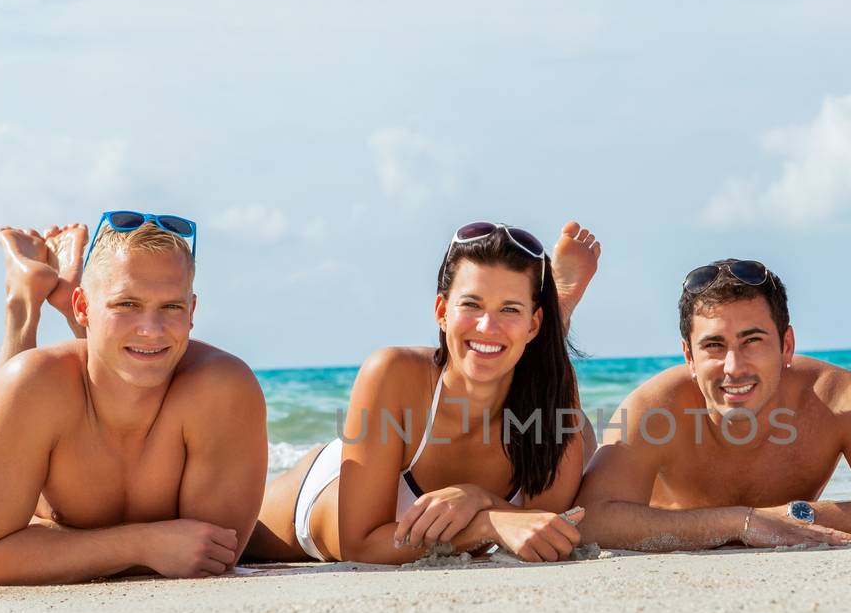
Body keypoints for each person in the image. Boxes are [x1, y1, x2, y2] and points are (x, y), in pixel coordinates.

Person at [245, 221, 601, 565]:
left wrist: (477, 498)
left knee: (580, 432)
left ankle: (554, 318)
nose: (486, 325)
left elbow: (546, 528)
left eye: (509, 309)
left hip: (524, 379)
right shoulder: (393, 372)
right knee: (234, 541)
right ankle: (548, 314)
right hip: (328, 493)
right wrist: (485, 522)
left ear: (534, 324)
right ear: (442, 312)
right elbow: (362, 545)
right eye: (472, 305)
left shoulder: (553, 386)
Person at [0, 215, 268, 584]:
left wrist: (41, 547)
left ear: (192, 311)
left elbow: (207, 554)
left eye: (171, 307)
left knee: (120, 352)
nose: (152, 329)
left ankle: (73, 292)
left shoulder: (222, 388)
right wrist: (141, 544)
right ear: (82, 308)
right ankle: (23, 299)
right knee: (21, 385)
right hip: (45, 428)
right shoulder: (36, 384)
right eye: (127, 304)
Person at [576, 259, 851, 551]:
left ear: (786, 345)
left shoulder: (836, 398)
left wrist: (795, 516)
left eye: (752, 340)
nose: (733, 367)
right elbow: (591, 520)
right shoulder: (657, 407)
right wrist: (739, 523)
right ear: (688, 356)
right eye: (713, 346)